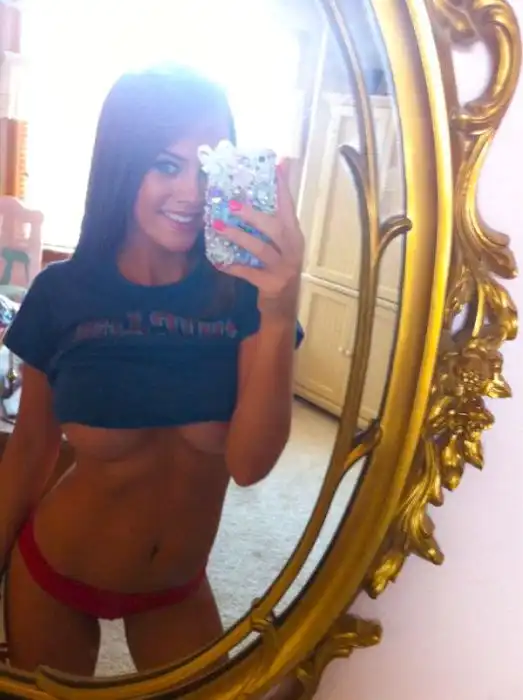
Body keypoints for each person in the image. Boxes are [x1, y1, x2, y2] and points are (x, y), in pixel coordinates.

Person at [0, 64, 304, 675]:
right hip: (54, 572)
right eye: (166, 165)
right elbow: (30, 449)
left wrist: (279, 310)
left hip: (177, 588)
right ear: (123, 165)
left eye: (208, 166)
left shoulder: (247, 294)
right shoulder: (61, 294)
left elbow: (250, 466)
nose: (191, 191)